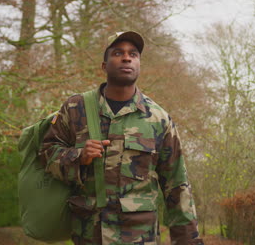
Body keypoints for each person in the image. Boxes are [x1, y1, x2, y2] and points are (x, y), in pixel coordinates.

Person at [39, 31, 203, 245]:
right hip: (89, 236)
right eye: (118, 53)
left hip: (139, 238)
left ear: (139, 65)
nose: (127, 58)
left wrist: (187, 241)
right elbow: (45, 152)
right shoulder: (75, 108)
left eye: (133, 54)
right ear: (104, 65)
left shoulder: (158, 119)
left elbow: (177, 185)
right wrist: (78, 156)